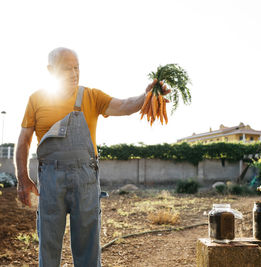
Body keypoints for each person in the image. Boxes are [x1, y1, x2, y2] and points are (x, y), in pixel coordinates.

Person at [15, 47, 168, 267]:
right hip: (50, 179)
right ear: (51, 70)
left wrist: (148, 96)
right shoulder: (37, 99)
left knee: (88, 248)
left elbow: (125, 106)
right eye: (67, 68)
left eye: (76, 67)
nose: (74, 73)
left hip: (85, 178)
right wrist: (22, 178)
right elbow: (23, 141)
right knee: (48, 246)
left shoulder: (91, 96)